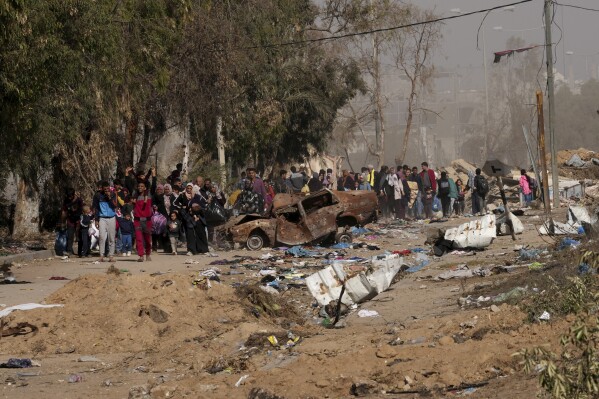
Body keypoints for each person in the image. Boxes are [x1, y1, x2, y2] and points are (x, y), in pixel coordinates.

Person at [175, 182, 208, 255]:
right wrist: (182, 207)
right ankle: (191, 250)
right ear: (186, 188)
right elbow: (175, 203)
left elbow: (205, 204)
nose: (189, 190)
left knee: (200, 233)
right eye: (188, 188)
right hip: (188, 217)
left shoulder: (198, 196)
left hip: (199, 217)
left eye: (191, 188)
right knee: (189, 233)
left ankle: (203, 250)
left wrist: (198, 208)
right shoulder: (183, 195)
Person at [92, 181, 118, 262]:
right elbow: (96, 208)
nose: (106, 190)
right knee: (102, 237)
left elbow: (115, 206)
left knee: (111, 238)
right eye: (105, 189)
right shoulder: (97, 195)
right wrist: (96, 220)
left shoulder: (113, 194)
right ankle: (101, 255)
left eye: (108, 189)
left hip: (111, 217)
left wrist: (109, 197)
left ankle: (111, 256)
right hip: (102, 218)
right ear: (102, 188)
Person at [132, 180, 153, 262]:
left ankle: (148, 253)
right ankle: (141, 255)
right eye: (139, 186)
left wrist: (153, 174)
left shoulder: (148, 195)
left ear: (145, 188)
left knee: (147, 239)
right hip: (137, 221)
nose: (140, 188)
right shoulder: (135, 196)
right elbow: (129, 184)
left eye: (142, 186)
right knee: (139, 239)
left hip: (147, 221)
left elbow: (152, 185)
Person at [62, 188, 83, 257]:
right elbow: (64, 210)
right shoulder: (66, 200)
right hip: (70, 220)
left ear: (73, 195)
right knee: (70, 235)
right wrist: (62, 221)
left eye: (71, 196)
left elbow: (82, 209)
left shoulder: (79, 200)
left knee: (79, 236)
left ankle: (81, 252)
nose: (70, 198)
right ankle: (69, 251)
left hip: (78, 220)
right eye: (68, 196)